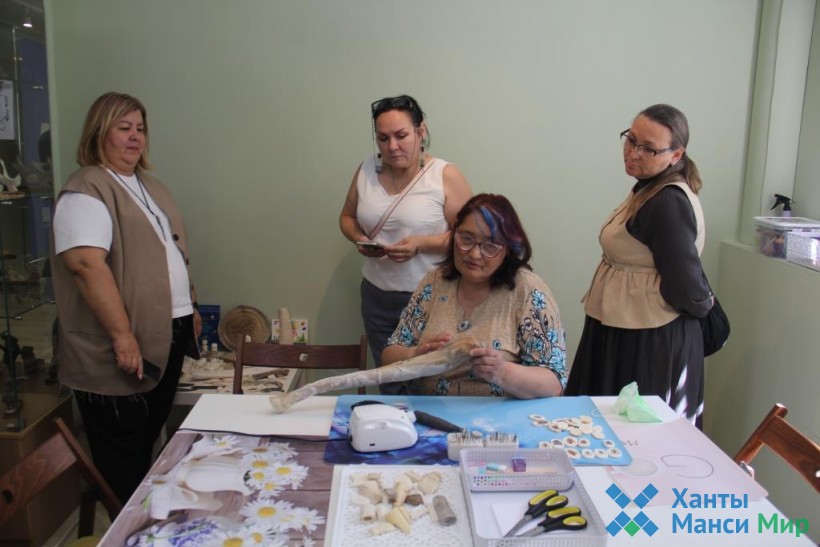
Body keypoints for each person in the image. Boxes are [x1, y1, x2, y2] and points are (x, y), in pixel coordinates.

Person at [51, 92, 201, 503]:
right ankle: (125, 522)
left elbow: (172, 250)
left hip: (167, 330)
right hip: (121, 343)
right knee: (121, 453)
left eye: (140, 128)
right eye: (124, 128)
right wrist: (122, 335)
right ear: (100, 132)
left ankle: (142, 516)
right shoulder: (87, 188)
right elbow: (86, 265)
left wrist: (189, 305)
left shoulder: (150, 186)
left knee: (147, 439)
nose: (135, 136)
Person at [566, 104, 712, 425]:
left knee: (633, 431)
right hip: (628, 329)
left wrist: (702, 305)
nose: (633, 153)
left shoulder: (667, 202)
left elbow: (686, 286)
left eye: (648, 148)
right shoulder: (649, 188)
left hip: (649, 339)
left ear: (676, 155)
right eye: (631, 140)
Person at [339, 95, 472, 394]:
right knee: (390, 380)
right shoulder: (366, 170)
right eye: (383, 138)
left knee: (430, 382)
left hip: (431, 297)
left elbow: (469, 237)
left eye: (401, 136)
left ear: (420, 131)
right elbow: (346, 217)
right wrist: (360, 238)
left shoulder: (444, 175)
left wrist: (421, 244)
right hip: (376, 296)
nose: (392, 147)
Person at [381, 193, 566, 398]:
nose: (475, 254)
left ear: (508, 249)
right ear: (454, 235)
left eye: (490, 246)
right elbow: (389, 354)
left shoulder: (528, 291)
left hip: (502, 414)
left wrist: (503, 372)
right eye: (466, 239)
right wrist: (415, 354)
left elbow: (554, 383)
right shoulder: (434, 283)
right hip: (431, 411)